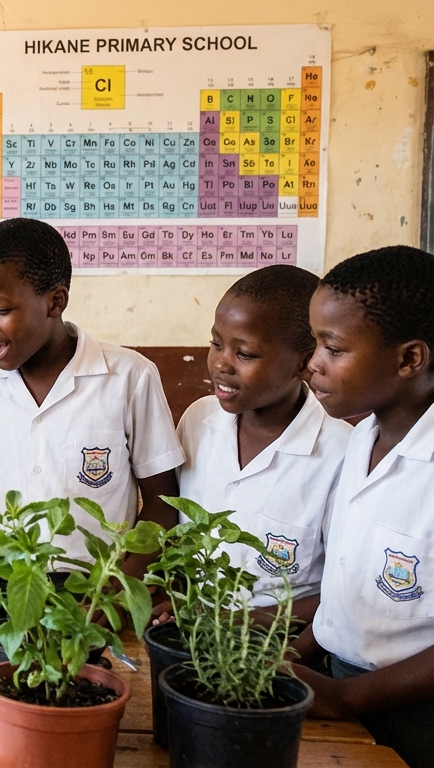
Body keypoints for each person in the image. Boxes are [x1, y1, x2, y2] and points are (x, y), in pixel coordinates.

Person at [0, 217, 183, 582]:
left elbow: (162, 502)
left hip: (94, 585)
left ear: (55, 302)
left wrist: (121, 588)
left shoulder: (128, 377)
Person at [290, 246, 434, 768]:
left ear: (408, 359)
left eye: (334, 348)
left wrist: (346, 698)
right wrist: (299, 652)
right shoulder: (360, 438)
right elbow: (348, 585)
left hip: (414, 714)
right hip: (338, 682)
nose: (312, 364)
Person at [175, 266, 350, 623]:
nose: (221, 364)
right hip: (190, 631)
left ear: (304, 364)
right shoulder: (197, 422)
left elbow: (341, 592)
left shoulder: (342, 454)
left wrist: (234, 624)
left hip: (280, 649)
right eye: (216, 344)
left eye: (246, 354)